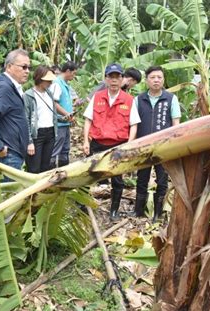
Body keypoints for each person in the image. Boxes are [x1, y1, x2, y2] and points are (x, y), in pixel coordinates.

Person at [83, 63, 141, 221]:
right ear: (106, 79)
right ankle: (82, 205)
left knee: (117, 179)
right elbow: (88, 120)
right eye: (111, 77)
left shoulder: (129, 100)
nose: (114, 80)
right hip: (97, 143)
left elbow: (133, 124)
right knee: (88, 173)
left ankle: (114, 211)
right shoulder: (97, 97)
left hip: (119, 144)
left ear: (122, 79)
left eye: (117, 77)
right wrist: (85, 142)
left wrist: (129, 144)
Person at [132, 66, 181, 222]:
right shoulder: (138, 100)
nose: (156, 80)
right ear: (147, 80)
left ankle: (158, 214)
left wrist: (175, 145)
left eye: (159, 77)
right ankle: (138, 211)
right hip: (143, 146)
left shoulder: (171, 99)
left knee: (162, 179)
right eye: (153, 77)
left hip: (164, 147)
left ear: (163, 80)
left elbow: (176, 124)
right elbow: (133, 123)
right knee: (142, 178)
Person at [0, 49, 30, 180]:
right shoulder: (4, 87)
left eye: (28, 67)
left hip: (13, 153)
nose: (27, 71)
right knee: (8, 195)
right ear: (9, 67)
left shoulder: (12, 87)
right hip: (8, 155)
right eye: (23, 67)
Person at [23, 66, 58, 173]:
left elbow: (52, 114)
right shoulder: (28, 95)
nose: (50, 82)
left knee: (45, 166)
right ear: (39, 79)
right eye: (47, 80)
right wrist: (29, 142)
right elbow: (26, 119)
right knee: (34, 167)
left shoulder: (49, 94)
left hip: (50, 132)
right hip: (37, 134)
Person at [49, 61, 78, 168]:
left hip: (65, 123)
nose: (74, 76)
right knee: (55, 150)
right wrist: (68, 114)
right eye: (73, 73)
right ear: (67, 71)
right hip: (59, 123)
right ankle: (49, 175)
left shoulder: (65, 85)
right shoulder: (57, 84)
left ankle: (63, 174)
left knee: (65, 150)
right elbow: (54, 103)